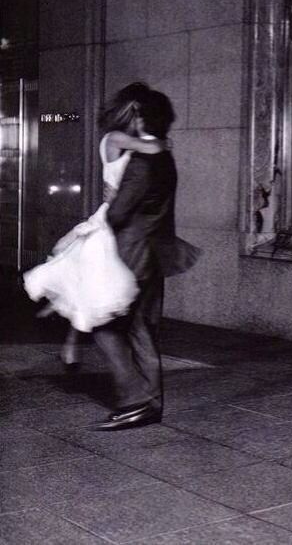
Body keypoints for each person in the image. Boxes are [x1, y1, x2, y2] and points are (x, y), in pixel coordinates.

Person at [23, 83, 167, 356]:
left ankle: (69, 342)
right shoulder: (114, 138)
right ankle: (70, 336)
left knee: (89, 282)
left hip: (116, 214)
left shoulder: (123, 142)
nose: (141, 120)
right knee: (91, 280)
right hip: (111, 217)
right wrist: (160, 140)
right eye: (139, 114)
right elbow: (154, 148)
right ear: (132, 113)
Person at [91, 87, 201, 431]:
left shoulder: (141, 164)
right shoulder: (165, 158)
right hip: (154, 254)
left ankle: (134, 399)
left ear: (140, 117)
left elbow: (119, 214)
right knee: (143, 331)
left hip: (130, 254)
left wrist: (88, 232)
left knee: (104, 326)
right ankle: (151, 404)